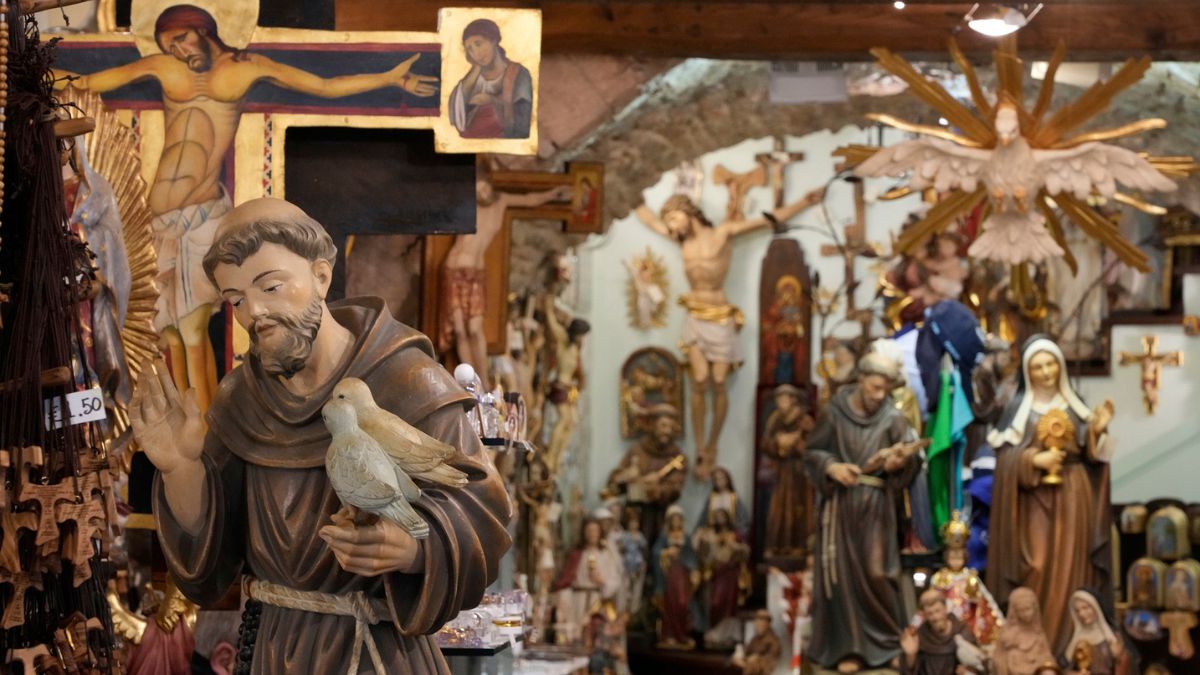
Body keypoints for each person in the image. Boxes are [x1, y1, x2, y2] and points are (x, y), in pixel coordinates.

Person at [130, 198, 510, 673]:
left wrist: (414, 548)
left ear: (322, 276)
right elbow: (211, 566)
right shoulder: (240, 399)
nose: (256, 313)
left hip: (375, 653)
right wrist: (180, 470)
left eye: (271, 286)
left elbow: (482, 518)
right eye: (237, 300)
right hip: (272, 648)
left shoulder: (408, 381)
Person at [57, 4, 437, 412]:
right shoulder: (165, 67)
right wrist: (30, 78)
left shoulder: (245, 68)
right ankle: (184, 424)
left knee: (194, 333)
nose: (180, 51)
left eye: (183, 38)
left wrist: (389, 77)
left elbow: (322, 85)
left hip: (202, 214)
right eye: (170, 45)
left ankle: (206, 431)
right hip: (160, 222)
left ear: (204, 29)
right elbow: (89, 80)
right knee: (166, 337)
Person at [635, 188, 824, 479]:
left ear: (688, 212)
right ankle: (700, 445)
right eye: (669, 222)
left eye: (674, 218)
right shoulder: (679, 239)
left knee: (719, 380)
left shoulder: (722, 233)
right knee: (699, 379)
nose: (672, 226)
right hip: (695, 314)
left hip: (720, 315)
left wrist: (803, 200)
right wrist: (628, 194)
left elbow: (767, 220)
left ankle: (713, 444)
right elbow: (647, 219)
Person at [987, 335, 1114, 653]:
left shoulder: (1075, 407)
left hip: (1074, 496)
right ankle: (1035, 649)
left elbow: (1096, 458)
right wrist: (1032, 459)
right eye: (1038, 366)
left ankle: (1073, 651)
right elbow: (1004, 463)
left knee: (1076, 569)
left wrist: (1098, 430)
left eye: (1051, 364)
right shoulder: (1019, 411)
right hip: (1033, 503)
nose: (1046, 372)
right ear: (1028, 372)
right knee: (1037, 565)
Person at [803, 352, 923, 673]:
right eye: (873, 388)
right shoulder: (834, 414)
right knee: (841, 578)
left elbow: (913, 459)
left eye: (884, 389)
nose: (879, 396)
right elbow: (812, 452)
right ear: (859, 381)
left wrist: (900, 463)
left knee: (877, 572)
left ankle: (885, 646)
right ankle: (848, 649)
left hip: (876, 506)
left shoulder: (893, 418)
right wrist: (832, 466)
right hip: (841, 506)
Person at [440, 166, 569, 388]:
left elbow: (530, 199)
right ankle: (467, 384)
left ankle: (483, 382)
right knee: (460, 331)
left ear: (490, 183)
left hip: (476, 274)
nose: (481, 193)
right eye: (476, 189)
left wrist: (552, 193)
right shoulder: (467, 200)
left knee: (474, 330)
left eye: (483, 187)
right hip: (454, 270)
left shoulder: (502, 202)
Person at [606, 404, 687, 549]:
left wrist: (654, 489)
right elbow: (614, 483)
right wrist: (626, 477)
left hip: (660, 515)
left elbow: (675, 488)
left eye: (670, 426)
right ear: (652, 425)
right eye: (663, 425)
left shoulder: (677, 457)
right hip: (635, 515)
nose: (667, 431)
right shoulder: (637, 450)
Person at [448, 18, 533, 139]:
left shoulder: (519, 73)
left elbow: (524, 122)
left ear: (493, 40)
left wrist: (492, 101)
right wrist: (475, 72)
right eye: (470, 49)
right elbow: (456, 113)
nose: (476, 54)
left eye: (478, 44)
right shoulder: (472, 79)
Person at [761, 383, 816, 557]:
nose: (781, 402)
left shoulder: (804, 420)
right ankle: (777, 544)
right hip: (781, 471)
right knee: (778, 508)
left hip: (799, 472)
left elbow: (814, 446)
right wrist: (778, 444)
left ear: (793, 400)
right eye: (778, 398)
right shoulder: (775, 419)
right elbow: (766, 443)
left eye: (784, 398)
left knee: (798, 508)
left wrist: (796, 444)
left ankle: (799, 545)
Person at [553, 519, 623, 645]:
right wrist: (564, 602)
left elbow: (615, 580)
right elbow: (567, 580)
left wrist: (602, 581)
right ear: (584, 533)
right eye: (589, 531)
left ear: (600, 532)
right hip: (577, 601)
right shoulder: (578, 554)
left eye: (595, 530)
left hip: (597, 600)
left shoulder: (606, 555)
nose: (592, 534)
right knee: (577, 635)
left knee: (595, 636)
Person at [543, 294, 591, 473]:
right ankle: (549, 457)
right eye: (582, 335)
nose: (583, 338)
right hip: (560, 385)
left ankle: (557, 459)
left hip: (569, 388)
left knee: (571, 423)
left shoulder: (575, 349)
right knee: (564, 419)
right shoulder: (564, 340)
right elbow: (553, 326)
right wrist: (548, 309)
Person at [899, 588, 985, 675]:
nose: (936, 617)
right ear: (924, 615)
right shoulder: (922, 635)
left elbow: (977, 666)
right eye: (930, 613)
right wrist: (911, 655)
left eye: (937, 610)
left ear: (945, 608)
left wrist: (967, 671)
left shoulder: (963, 632)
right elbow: (911, 670)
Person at [652, 505, 697, 650]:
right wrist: (666, 552)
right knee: (670, 603)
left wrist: (694, 570)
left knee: (683, 603)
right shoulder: (665, 535)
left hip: (683, 573)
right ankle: (669, 635)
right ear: (669, 521)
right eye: (673, 519)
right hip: (670, 573)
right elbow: (655, 551)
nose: (676, 522)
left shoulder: (686, 535)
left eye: (678, 519)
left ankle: (682, 634)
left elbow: (691, 555)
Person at [1062, 589, 1130, 675]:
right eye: (1077, 611)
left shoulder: (1113, 636)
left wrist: (1119, 657)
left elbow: (1126, 666)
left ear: (1096, 607)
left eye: (1085, 607)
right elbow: (1063, 668)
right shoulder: (1074, 639)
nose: (1081, 614)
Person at [993, 587, 1055, 675]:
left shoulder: (1037, 633)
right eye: (1021, 610)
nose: (1026, 614)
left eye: (1028, 609)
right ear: (1015, 612)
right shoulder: (1008, 635)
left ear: (1035, 608)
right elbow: (997, 659)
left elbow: (1047, 658)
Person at [733, 610, 782, 675]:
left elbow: (770, 662)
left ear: (767, 624)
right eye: (757, 621)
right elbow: (746, 651)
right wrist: (739, 654)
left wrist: (752, 661)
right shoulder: (755, 639)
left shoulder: (773, 641)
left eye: (762, 621)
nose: (758, 624)